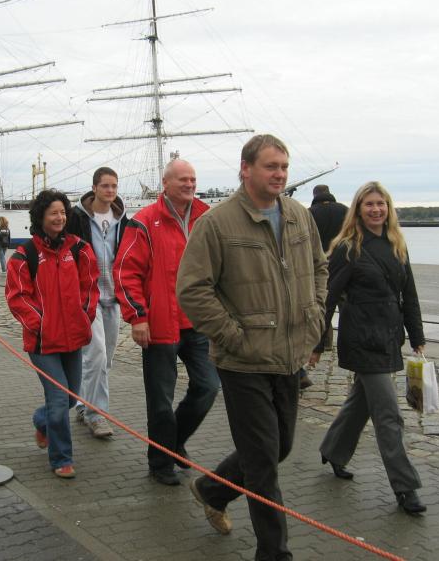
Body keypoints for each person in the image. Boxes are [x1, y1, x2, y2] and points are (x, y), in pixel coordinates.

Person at [177, 134, 327, 560]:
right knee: (262, 463)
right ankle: (274, 553)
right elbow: (192, 289)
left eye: (284, 166)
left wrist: (315, 313)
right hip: (242, 361)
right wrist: (232, 335)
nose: (279, 174)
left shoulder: (299, 216)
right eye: (270, 166)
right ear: (245, 169)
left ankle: (213, 489)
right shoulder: (217, 224)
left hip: (288, 356)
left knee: (280, 447)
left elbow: (320, 267)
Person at [310, 181, 427, 516]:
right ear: (358, 210)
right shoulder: (347, 248)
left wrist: (416, 336)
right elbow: (328, 299)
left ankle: (333, 450)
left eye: (381, 204)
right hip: (361, 340)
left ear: (388, 209)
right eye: (369, 204)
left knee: (360, 403)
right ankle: (405, 487)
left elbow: (409, 294)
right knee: (389, 415)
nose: (376, 210)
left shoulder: (397, 245)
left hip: (389, 337)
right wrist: (317, 344)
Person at [114, 158, 220, 486]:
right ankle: (160, 462)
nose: (189, 184)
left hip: (196, 322)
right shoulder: (145, 221)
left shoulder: (206, 217)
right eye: (183, 179)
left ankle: (173, 442)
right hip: (160, 323)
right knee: (160, 400)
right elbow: (126, 271)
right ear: (166, 183)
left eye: (193, 179)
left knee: (208, 387)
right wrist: (138, 317)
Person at [6, 189, 99, 479]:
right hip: (43, 343)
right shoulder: (25, 255)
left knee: (70, 398)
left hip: (73, 338)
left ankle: (41, 420)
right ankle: (62, 458)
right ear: (41, 217)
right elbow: (17, 297)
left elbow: (90, 286)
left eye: (62, 212)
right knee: (59, 400)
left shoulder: (79, 249)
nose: (59, 218)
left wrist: (84, 316)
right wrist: (40, 324)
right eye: (53, 213)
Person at [66, 167, 128, 439]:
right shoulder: (77, 218)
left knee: (106, 358)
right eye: (105, 186)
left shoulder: (122, 219)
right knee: (97, 355)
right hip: (88, 298)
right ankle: (96, 415)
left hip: (113, 297)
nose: (110, 190)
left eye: (114, 186)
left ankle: (82, 403)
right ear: (94, 188)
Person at [303, 184, 349, 389]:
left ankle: (323, 341)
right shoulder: (345, 211)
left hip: (318, 264)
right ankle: (345, 340)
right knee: (344, 304)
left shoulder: (309, 213)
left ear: (315, 195)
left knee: (322, 303)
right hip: (344, 263)